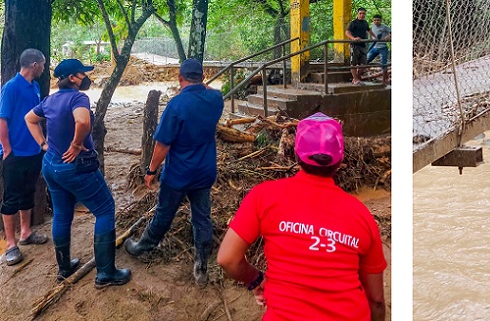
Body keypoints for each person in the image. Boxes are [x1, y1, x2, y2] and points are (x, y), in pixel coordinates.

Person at [217, 112, 387, 321]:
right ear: (340, 160)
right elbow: (376, 300)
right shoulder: (362, 216)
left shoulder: (264, 196)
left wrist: (256, 280)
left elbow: (227, 259)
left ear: (296, 155)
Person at [24, 58, 131, 286]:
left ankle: (64, 268)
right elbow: (82, 122)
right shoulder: (78, 97)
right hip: (75, 167)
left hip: (51, 165)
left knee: (62, 215)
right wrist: (75, 145)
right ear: (72, 78)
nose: (86, 76)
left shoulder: (50, 100)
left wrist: (43, 145)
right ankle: (105, 274)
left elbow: (30, 119)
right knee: (105, 209)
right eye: (82, 73)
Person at [124, 58, 224, 286]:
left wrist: (150, 171)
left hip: (178, 174)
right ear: (203, 77)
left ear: (180, 78)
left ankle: (143, 247)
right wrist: (201, 86)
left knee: (164, 213)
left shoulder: (176, 105)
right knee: (202, 217)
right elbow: (208, 90)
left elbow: (162, 146)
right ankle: (201, 266)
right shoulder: (215, 99)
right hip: (204, 170)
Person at [0, 48, 48, 265]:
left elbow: (35, 118)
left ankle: (26, 233)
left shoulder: (35, 86)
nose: (45, 68)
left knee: (29, 191)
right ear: (35, 65)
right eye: (44, 64)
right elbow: (2, 119)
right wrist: (7, 148)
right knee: (11, 197)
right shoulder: (11, 88)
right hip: (15, 152)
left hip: (33, 150)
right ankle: (11, 244)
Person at [345, 7, 376, 85]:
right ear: (357, 14)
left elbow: (369, 30)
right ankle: (355, 79)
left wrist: (375, 37)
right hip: (354, 45)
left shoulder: (365, 23)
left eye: (363, 14)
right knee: (354, 63)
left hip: (363, 45)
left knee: (363, 64)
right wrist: (353, 38)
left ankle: (357, 78)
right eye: (360, 13)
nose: (362, 15)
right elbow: (347, 32)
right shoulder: (354, 23)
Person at [366, 14, 391, 85]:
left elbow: (391, 32)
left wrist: (388, 37)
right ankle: (359, 77)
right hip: (374, 47)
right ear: (373, 21)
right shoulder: (373, 27)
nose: (376, 21)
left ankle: (384, 80)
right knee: (366, 60)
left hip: (383, 48)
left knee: (383, 63)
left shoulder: (385, 27)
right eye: (375, 20)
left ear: (381, 20)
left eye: (378, 20)